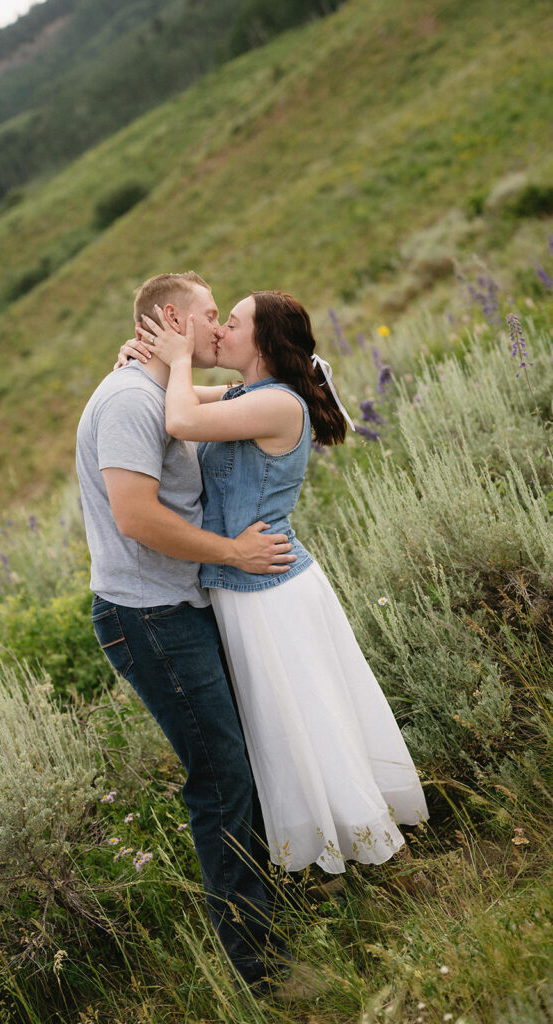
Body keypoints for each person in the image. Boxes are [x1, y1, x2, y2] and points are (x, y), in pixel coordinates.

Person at [138, 289, 429, 877]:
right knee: (280, 725)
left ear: (264, 344)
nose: (220, 332)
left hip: (271, 592)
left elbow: (181, 417)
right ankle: (323, 853)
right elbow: (179, 397)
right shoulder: (252, 394)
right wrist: (149, 361)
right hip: (247, 586)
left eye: (234, 323)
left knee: (305, 718)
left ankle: (370, 852)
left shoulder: (279, 405)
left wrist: (177, 360)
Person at [75, 272, 297, 993]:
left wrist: (167, 363)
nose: (216, 329)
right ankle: (258, 973)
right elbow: (136, 517)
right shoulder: (129, 402)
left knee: (237, 764)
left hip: (177, 609)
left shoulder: (154, 390)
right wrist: (234, 553)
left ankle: (273, 923)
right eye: (208, 314)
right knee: (221, 778)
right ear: (172, 318)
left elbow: (244, 399)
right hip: (149, 617)